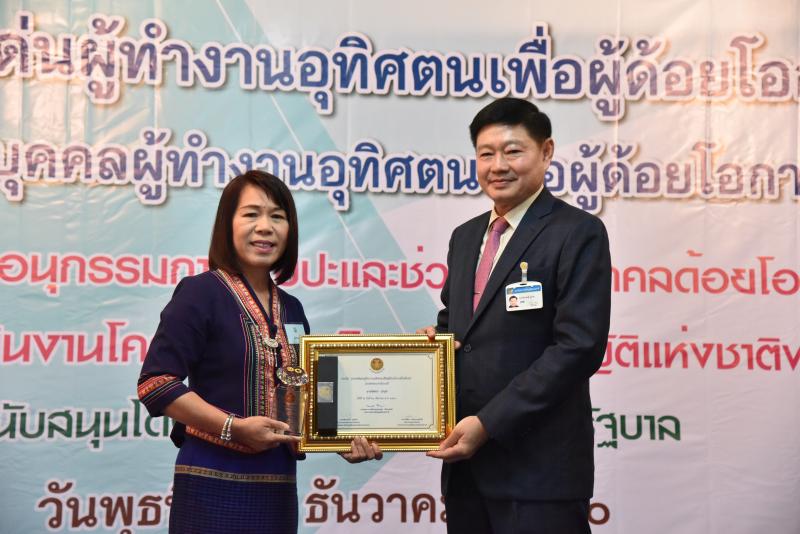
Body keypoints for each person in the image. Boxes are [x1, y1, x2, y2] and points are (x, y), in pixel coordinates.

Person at [137, 170, 381, 534]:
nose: (265, 227)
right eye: (251, 214)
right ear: (228, 224)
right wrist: (233, 427)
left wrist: (338, 440)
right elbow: (156, 383)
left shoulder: (292, 308)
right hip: (210, 480)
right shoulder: (200, 293)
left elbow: (303, 399)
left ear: (290, 230)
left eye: (277, 217)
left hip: (277, 486)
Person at [420, 98, 611, 533]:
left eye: (513, 151)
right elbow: (457, 327)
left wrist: (489, 423)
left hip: (539, 472)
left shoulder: (577, 232)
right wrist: (431, 347)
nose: (498, 166)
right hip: (467, 470)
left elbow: (578, 347)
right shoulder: (465, 237)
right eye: (486, 153)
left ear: (546, 151)